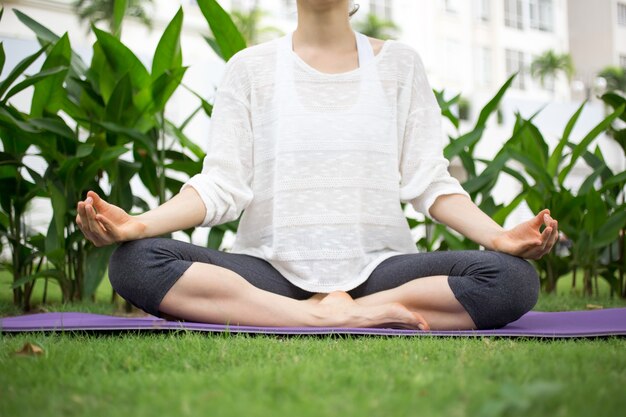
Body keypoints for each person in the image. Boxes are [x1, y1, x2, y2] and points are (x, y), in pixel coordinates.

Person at [75, 0, 559, 331]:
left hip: (379, 268)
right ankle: (317, 315)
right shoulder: (249, 68)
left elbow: (429, 182)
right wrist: (138, 224)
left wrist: (498, 237)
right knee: (134, 262)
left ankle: (345, 309)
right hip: (269, 269)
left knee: (512, 280)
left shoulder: (400, 66)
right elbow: (222, 185)